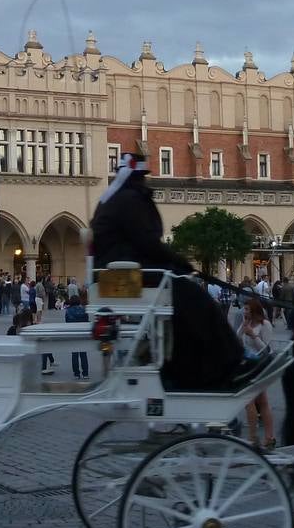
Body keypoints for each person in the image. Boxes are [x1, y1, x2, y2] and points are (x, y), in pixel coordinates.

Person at [89, 153, 242, 390]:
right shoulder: (130, 199)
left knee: (183, 301)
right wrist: (180, 261)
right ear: (137, 177)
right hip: (127, 273)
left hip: (120, 271)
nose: (144, 182)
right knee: (195, 299)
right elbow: (147, 242)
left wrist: (176, 264)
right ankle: (228, 360)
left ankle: (182, 366)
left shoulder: (115, 198)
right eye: (142, 178)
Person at [237, 297, 276, 448]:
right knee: (260, 401)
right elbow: (237, 338)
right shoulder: (246, 323)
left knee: (251, 402)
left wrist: (253, 335)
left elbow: (267, 349)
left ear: (254, 310)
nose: (244, 311)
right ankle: (268, 438)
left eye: (247, 309)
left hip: (259, 365)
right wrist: (244, 327)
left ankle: (255, 438)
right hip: (248, 364)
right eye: (244, 309)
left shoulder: (264, 324)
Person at [64, 295, 90, 379]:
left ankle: (76, 373)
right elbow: (87, 321)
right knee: (83, 354)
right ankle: (85, 373)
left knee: (74, 354)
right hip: (82, 333)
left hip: (73, 334)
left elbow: (67, 322)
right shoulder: (83, 310)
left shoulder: (68, 311)